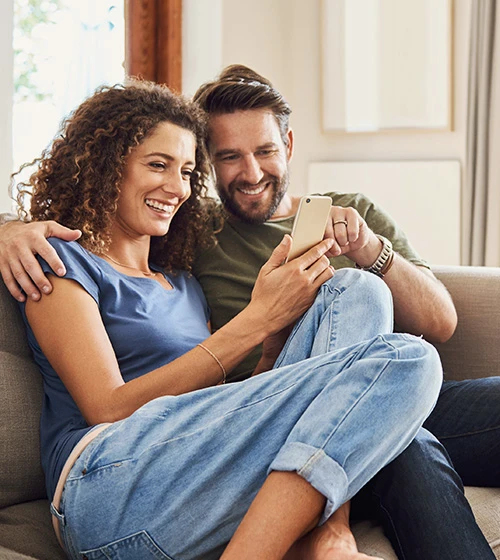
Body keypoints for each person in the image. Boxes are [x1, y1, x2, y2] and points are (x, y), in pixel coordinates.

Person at [0, 66, 498, 559]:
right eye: (158, 165)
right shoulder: (59, 261)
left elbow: (224, 417)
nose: (176, 187)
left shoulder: (183, 283)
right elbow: (107, 409)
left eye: (187, 172)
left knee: (356, 291)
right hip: (108, 485)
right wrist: (256, 318)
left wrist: (273, 344)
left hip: (201, 474)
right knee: (406, 361)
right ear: (107, 165)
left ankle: (312, 535)